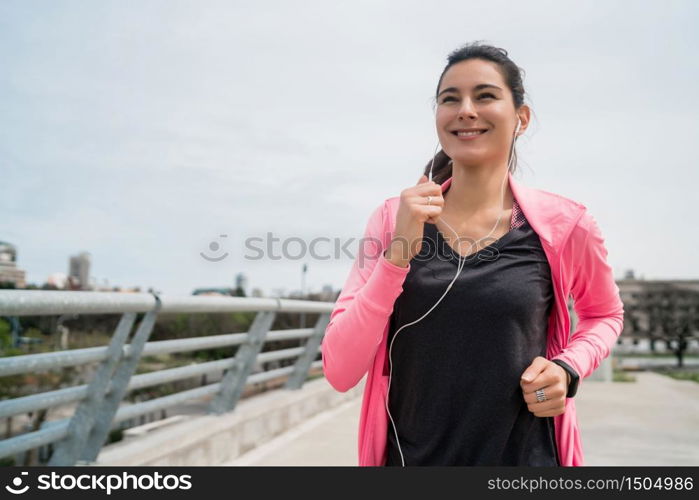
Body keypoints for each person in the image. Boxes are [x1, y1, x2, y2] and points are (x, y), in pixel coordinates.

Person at [321, 41, 624, 466]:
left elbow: (605, 315)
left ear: (521, 118)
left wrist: (568, 368)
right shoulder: (392, 220)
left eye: (485, 96)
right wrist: (398, 256)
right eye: (450, 99)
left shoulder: (566, 224)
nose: (465, 109)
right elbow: (339, 369)